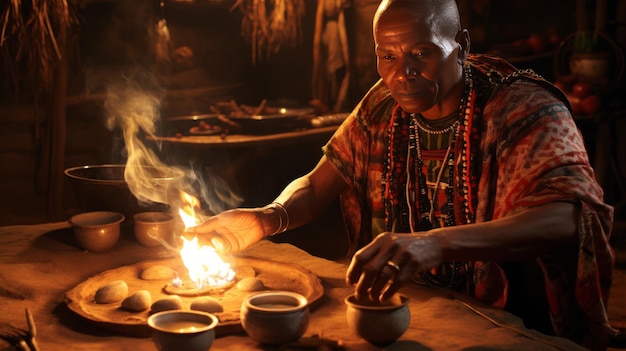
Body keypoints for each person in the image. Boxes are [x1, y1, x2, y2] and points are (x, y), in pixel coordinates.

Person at [188, 0, 617, 349]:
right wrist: (267, 217)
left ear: (461, 45)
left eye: (421, 53)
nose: (402, 73)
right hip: (407, 310)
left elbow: (572, 217)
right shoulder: (383, 103)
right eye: (387, 56)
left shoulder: (522, 108)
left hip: (505, 319)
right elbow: (319, 184)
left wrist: (436, 244)